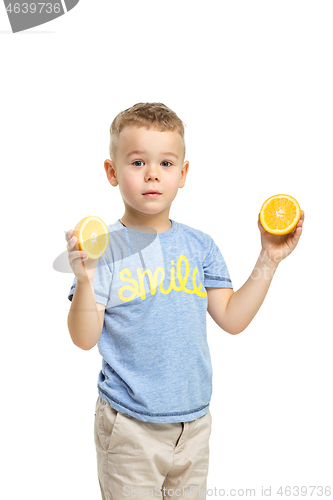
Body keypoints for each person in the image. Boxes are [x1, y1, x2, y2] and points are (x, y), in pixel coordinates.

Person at [65, 102, 304, 499]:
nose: (153, 174)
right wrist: (85, 279)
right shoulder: (102, 250)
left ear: (183, 174)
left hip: (194, 425)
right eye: (138, 162)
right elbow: (84, 338)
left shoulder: (200, 246)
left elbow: (232, 318)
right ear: (112, 172)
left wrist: (269, 259)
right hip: (129, 426)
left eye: (167, 163)